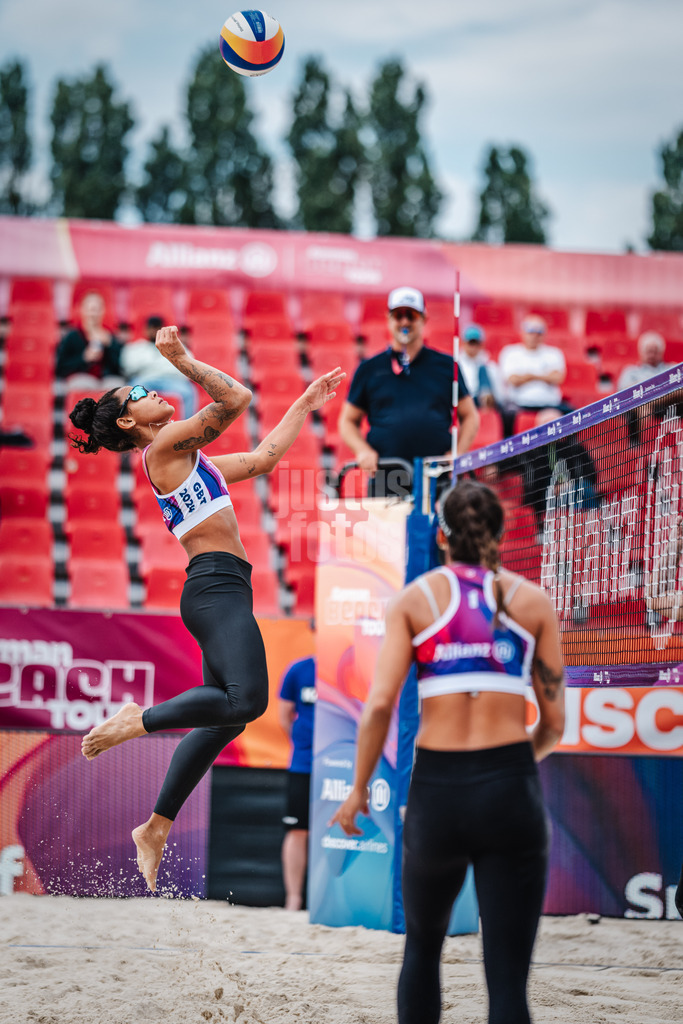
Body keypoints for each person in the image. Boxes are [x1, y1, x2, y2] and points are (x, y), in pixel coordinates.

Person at [68, 325, 344, 893]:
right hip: (214, 587)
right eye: (141, 393)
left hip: (223, 587)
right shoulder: (162, 449)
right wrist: (186, 360)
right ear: (129, 421)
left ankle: (156, 825)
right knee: (251, 699)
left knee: (231, 716)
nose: (155, 390)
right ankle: (135, 721)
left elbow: (266, 459)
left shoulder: (193, 458)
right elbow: (235, 400)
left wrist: (303, 402)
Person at [331, 479, 565, 1024]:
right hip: (510, 786)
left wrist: (358, 790)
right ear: (502, 536)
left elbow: (380, 706)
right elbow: (553, 726)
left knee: (423, 949)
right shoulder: (532, 602)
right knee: (508, 980)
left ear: (441, 536)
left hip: (439, 792)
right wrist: (508, 775)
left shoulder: (418, 598)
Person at [338, 286, 479, 497]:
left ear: (423, 318)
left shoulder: (447, 366)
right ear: (389, 318)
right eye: (398, 315)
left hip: (437, 477)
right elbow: (347, 421)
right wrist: (362, 450)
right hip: (386, 477)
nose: (404, 322)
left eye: (411, 315)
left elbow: (470, 416)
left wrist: (457, 452)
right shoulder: (369, 369)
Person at [278, 653, 316, 911]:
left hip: (344, 766)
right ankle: (294, 899)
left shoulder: (355, 666)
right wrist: (304, 745)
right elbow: (284, 716)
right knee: (297, 830)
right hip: (303, 764)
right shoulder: (299, 669)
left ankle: (328, 899)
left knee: (340, 832)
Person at [498, 315, 570, 435]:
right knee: (506, 416)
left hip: (550, 404)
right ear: (523, 333)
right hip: (520, 403)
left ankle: (566, 453)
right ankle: (511, 452)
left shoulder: (554, 353)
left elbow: (558, 378)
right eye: (531, 331)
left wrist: (528, 376)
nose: (535, 335)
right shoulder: (510, 352)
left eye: (539, 332)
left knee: (575, 416)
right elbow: (513, 379)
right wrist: (545, 376)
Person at [121, 314, 199, 418]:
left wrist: (149, 365)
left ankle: (186, 429)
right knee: (131, 391)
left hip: (171, 380)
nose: (154, 331)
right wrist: (161, 365)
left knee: (188, 392)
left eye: (157, 328)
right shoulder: (136, 347)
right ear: (146, 329)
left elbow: (188, 367)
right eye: (151, 328)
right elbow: (128, 367)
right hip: (144, 379)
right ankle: (133, 428)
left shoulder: (176, 346)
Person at [55, 291, 123, 386]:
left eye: (97, 310)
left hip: (105, 381)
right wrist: (84, 358)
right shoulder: (72, 337)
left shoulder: (110, 338)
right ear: (82, 310)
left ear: (103, 311)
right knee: (83, 383)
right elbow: (60, 368)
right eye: (90, 310)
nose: (93, 314)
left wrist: (110, 346)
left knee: (115, 385)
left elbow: (120, 369)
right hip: (81, 380)